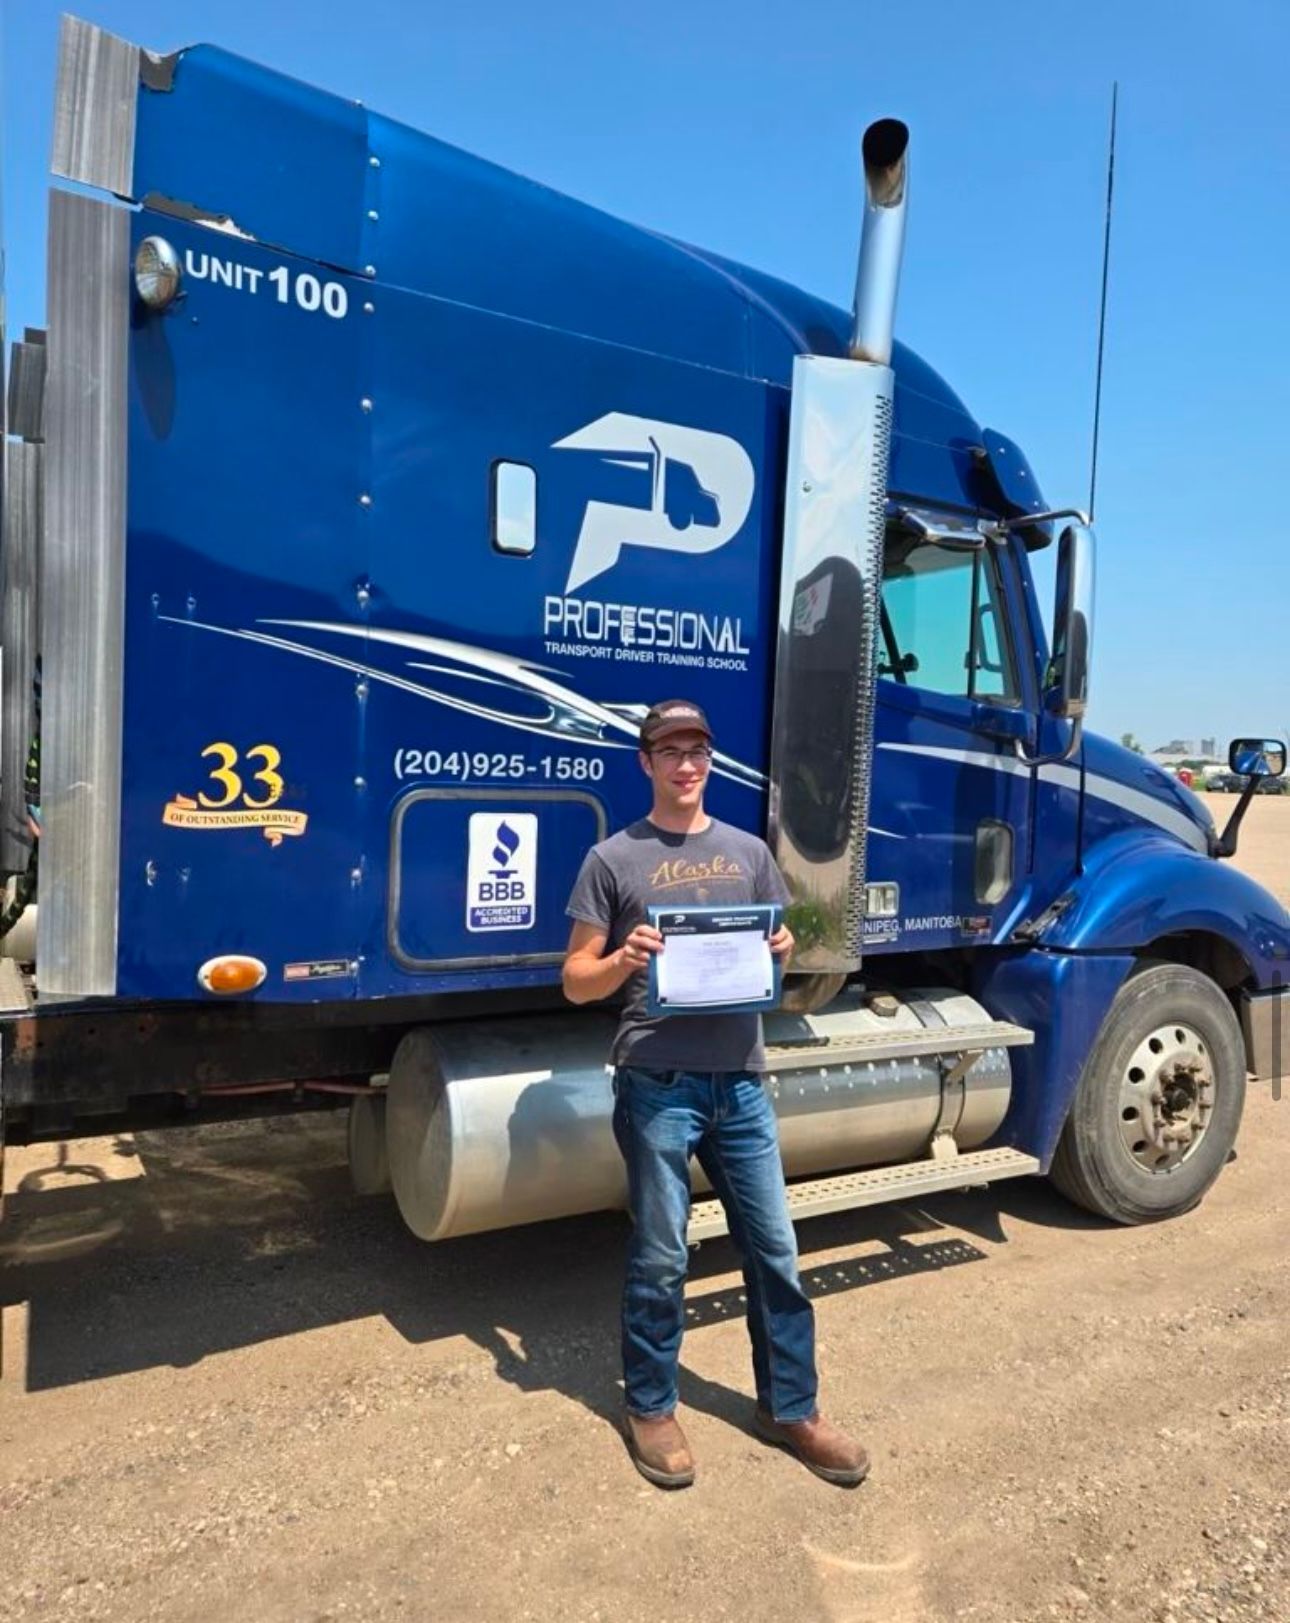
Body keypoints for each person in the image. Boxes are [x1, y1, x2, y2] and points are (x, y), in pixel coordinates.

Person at [562, 698, 869, 1490]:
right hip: (657, 1082)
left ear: (709, 759)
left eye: (697, 749)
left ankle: (791, 1408)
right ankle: (651, 1405)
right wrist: (622, 960)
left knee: (775, 1249)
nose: (686, 764)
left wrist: (782, 948)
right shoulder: (611, 858)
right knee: (663, 1253)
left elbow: (772, 959)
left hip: (741, 1082)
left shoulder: (749, 853)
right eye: (670, 751)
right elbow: (574, 980)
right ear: (646, 762)